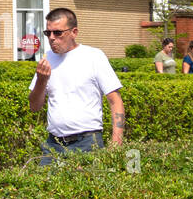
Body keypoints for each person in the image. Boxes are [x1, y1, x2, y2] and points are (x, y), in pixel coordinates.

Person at [28, 8, 124, 164]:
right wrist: (41, 80)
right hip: (53, 144)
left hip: (87, 142)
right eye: (48, 33)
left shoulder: (93, 56)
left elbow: (115, 101)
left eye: (58, 33)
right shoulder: (47, 58)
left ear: (74, 32)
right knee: (41, 185)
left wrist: (116, 142)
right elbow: (34, 106)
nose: (52, 38)